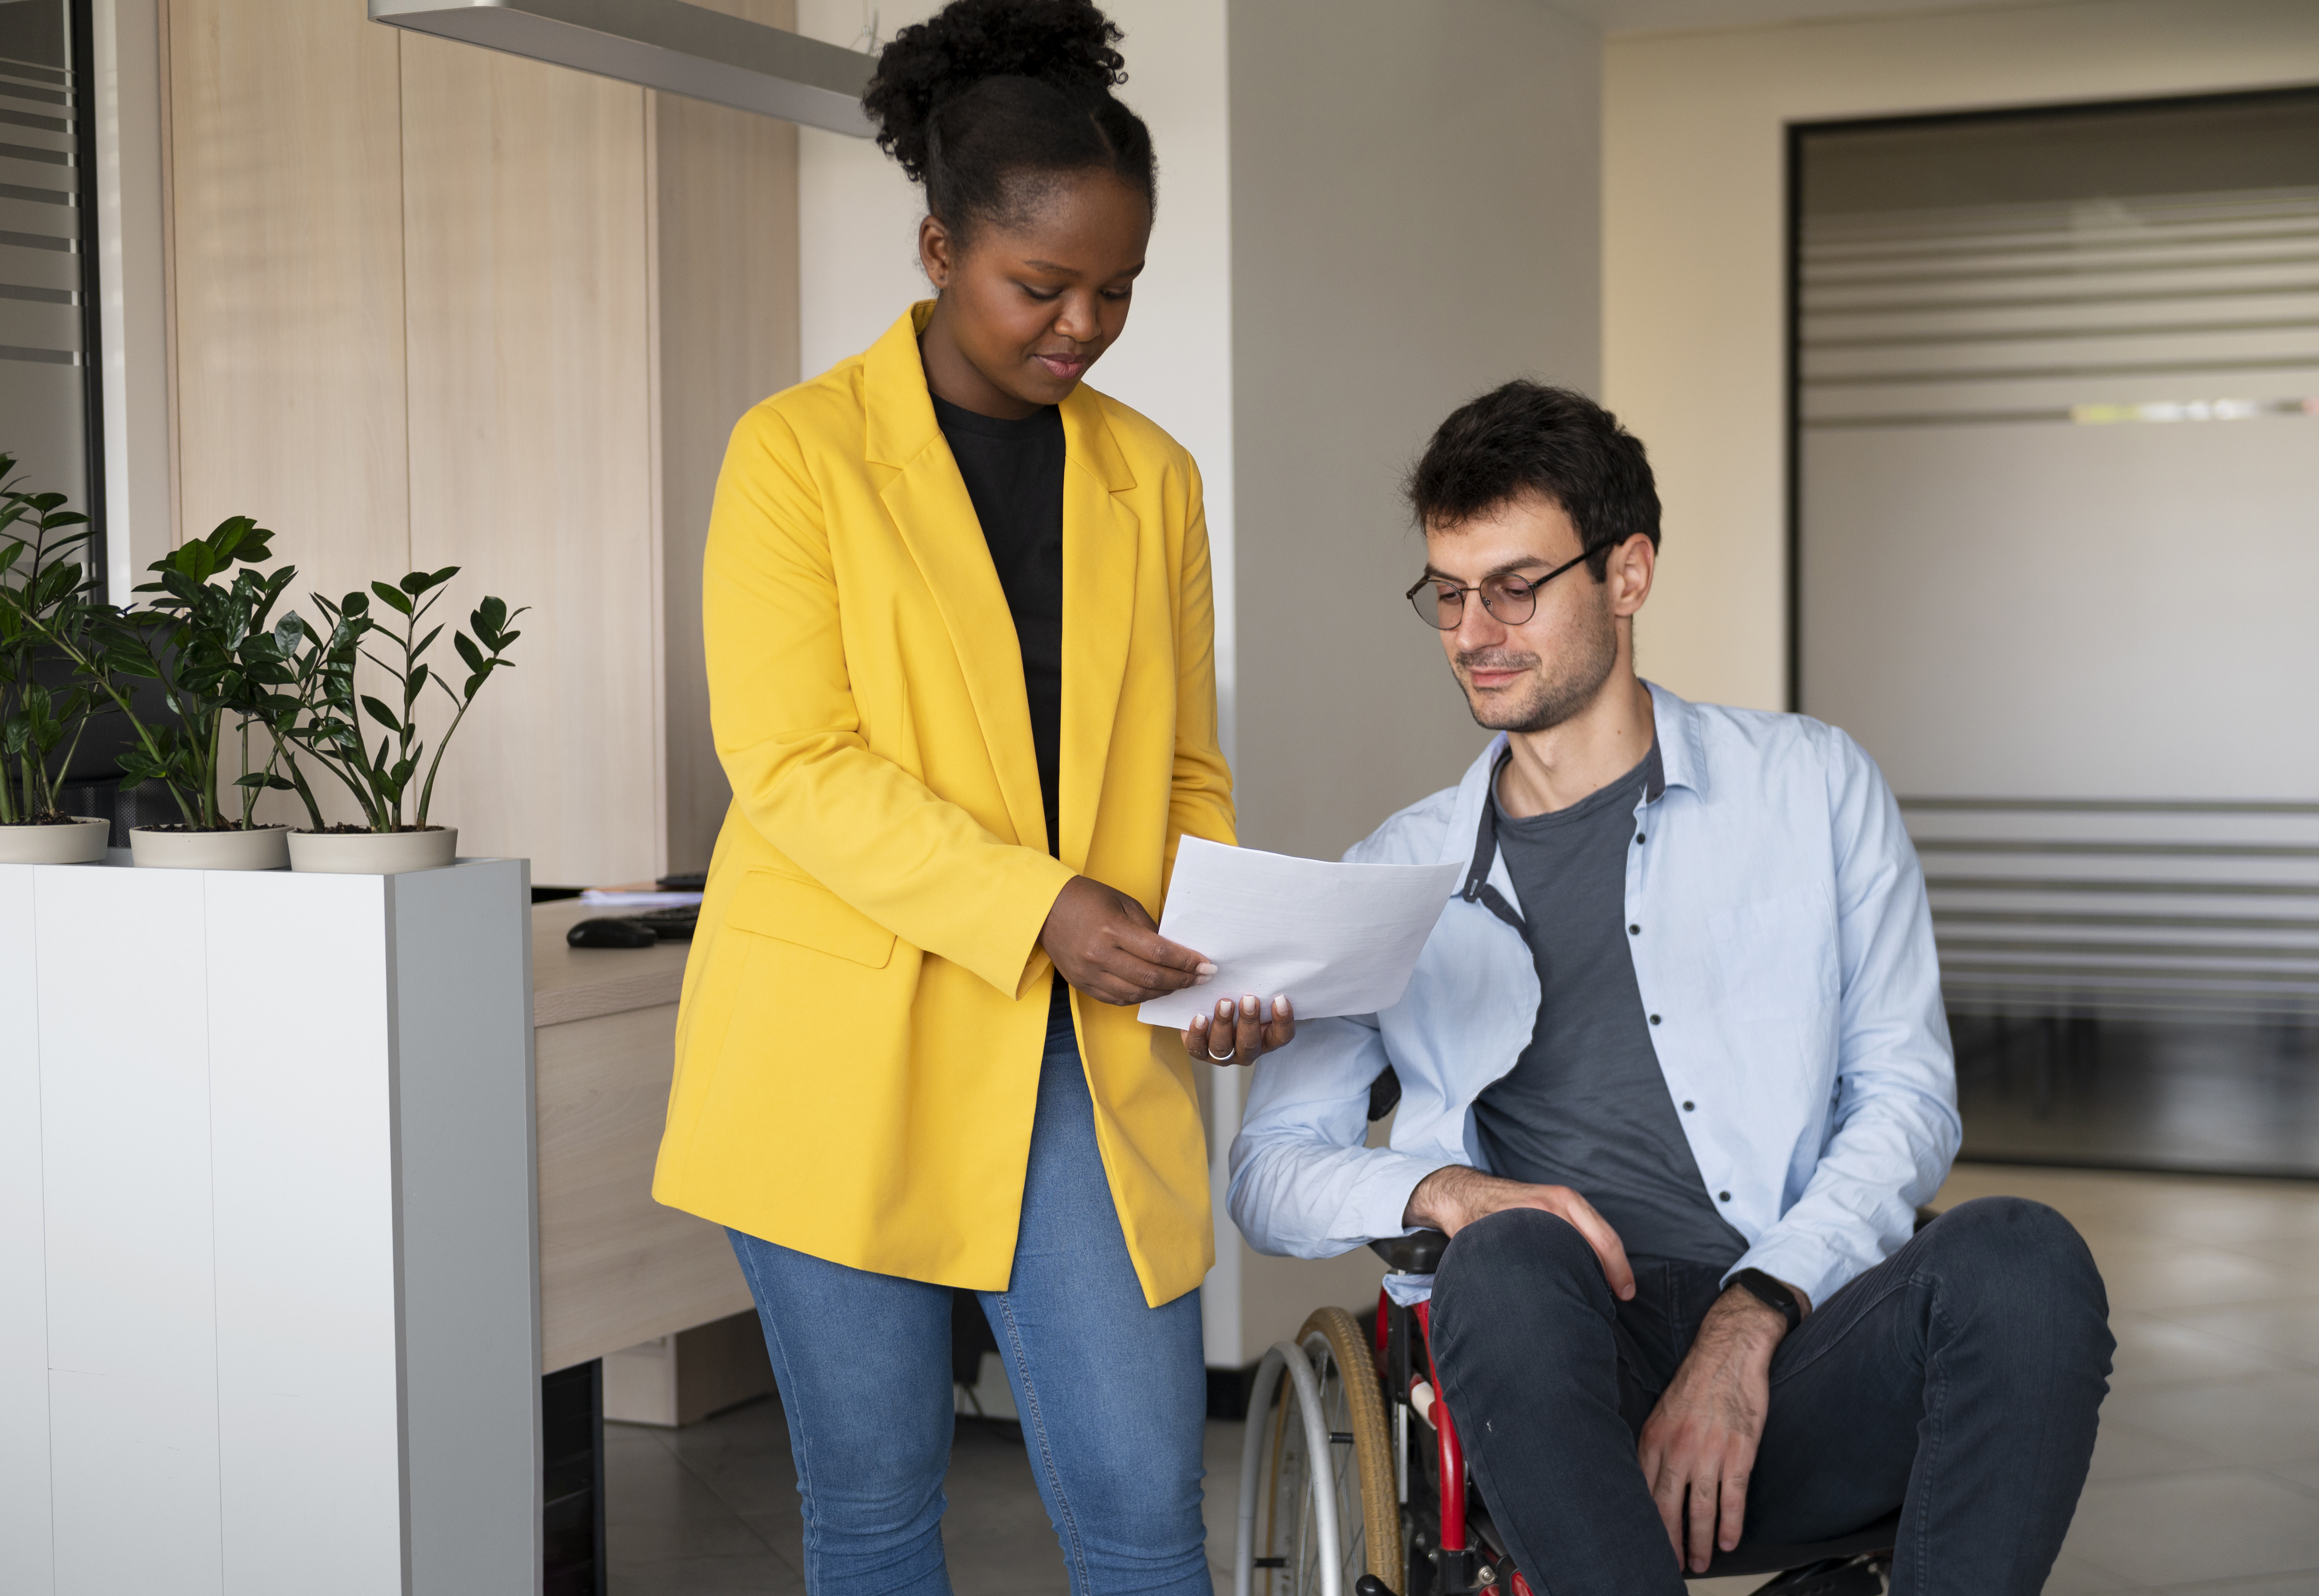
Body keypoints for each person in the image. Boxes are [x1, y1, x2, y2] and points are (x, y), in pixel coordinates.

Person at [1227, 382, 2113, 1595]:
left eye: (1517, 585)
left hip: (1796, 1337)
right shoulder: (1396, 874)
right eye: (1449, 590)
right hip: (1557, 1374)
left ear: (1626, 573)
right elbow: (1268, 1173)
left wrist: (1749, 1319)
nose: (1473, 629)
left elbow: (1905, 1097)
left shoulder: (1808, 786)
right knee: (1503, 1255)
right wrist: (1443, 1188)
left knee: (2023, 1256)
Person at [651, 4, 1292, 1591]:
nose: (1084, 324)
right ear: (938, 248)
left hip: (1076, 1045)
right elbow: (794, 764)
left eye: (1118, 289)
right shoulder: (794, 453)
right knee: (873, 1515)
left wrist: (1217, 946)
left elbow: (1183, 769)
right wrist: (1044, 906)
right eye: (1043, 285)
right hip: (839, 1048)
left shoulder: (1155, 478)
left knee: (1147, 1513)